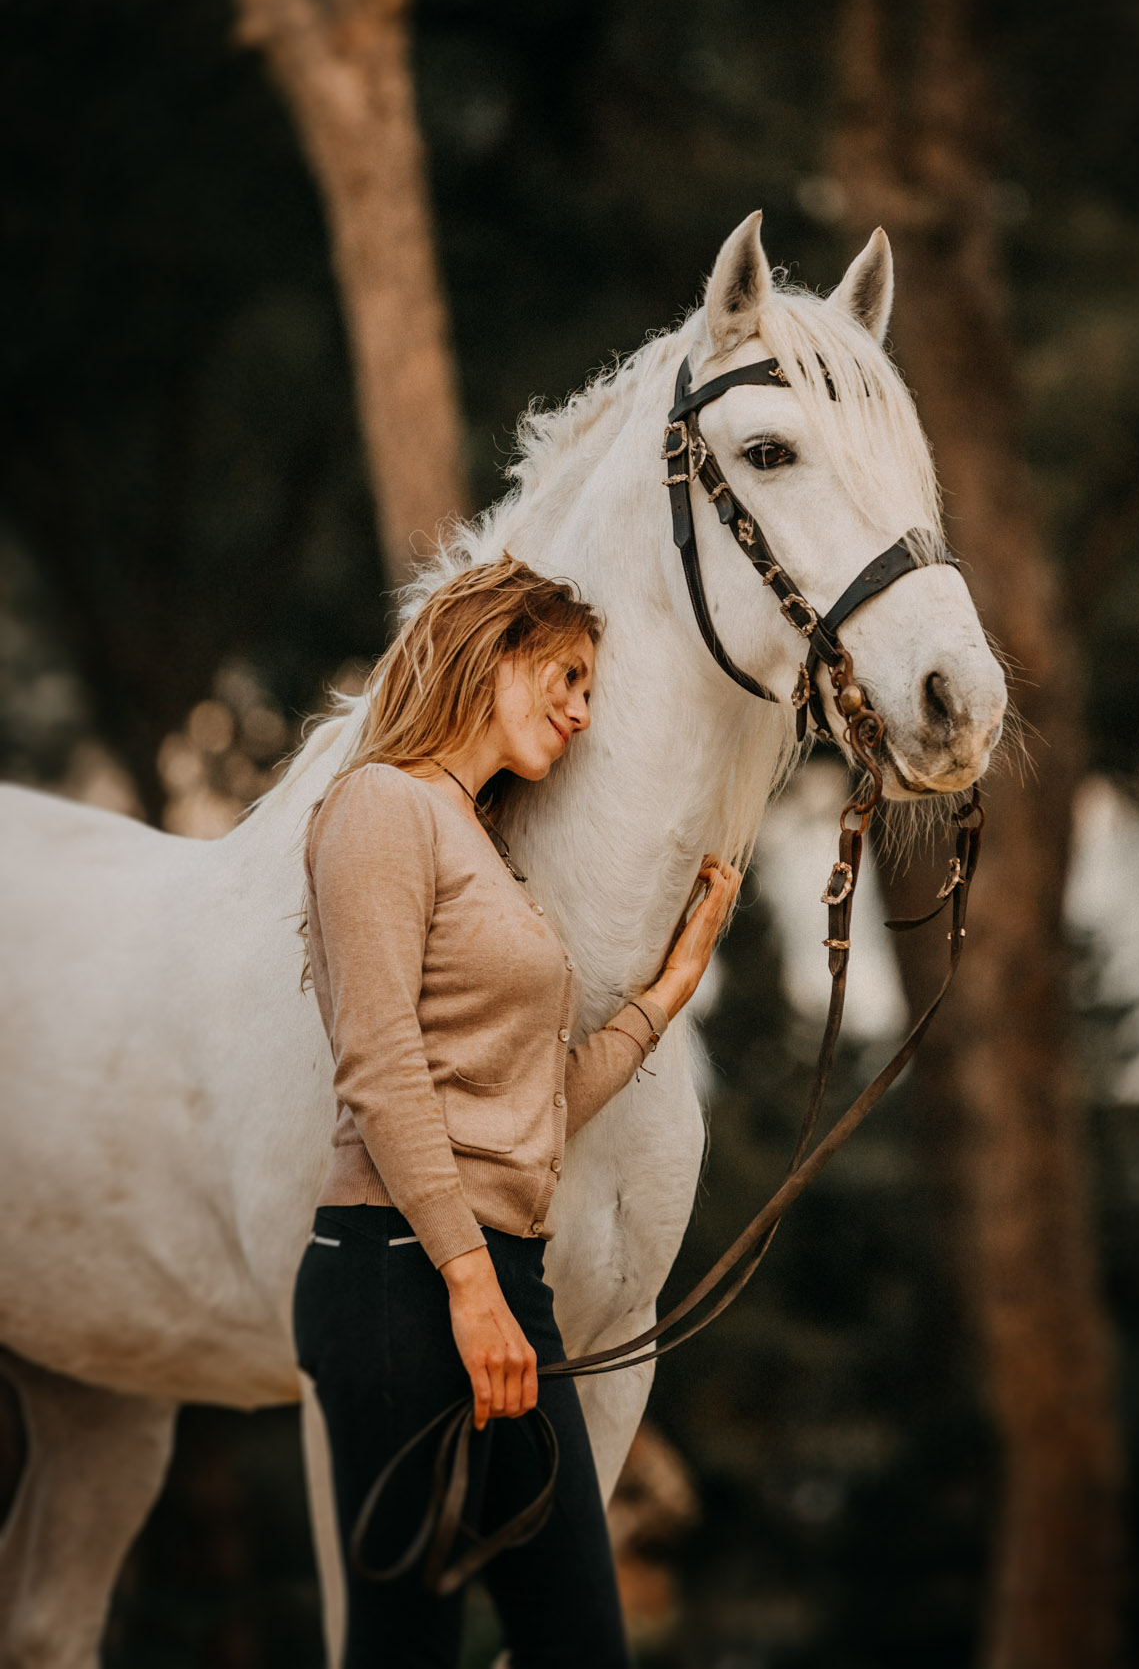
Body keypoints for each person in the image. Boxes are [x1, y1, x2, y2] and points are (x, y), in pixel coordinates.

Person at [293, 555, 739, 1669]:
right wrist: (470, 1289)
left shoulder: (480, 846)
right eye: (568, 677)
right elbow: (380, 1066)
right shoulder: (379, 807)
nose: (583, 714)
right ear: (498, 651)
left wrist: (667, 994)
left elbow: (532, 1109)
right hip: (403, 1278)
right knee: (407, 1647)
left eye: (591, 692)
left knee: (580, 1640)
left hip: (496, 1280)